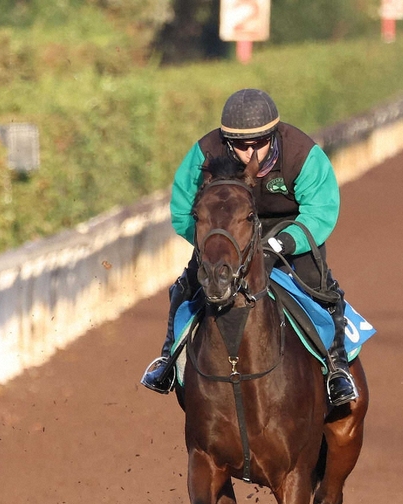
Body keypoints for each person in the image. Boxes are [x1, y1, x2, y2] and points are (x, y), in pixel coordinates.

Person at [141, 88, 358, 406]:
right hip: (228, 235)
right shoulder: (205, 152)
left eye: (260, 142)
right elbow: (182, 207)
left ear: (274, 133)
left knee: (320, 287)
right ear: (228, 141)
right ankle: (166, 362)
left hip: (290, 229)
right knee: (186, 287)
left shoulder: (302, 153)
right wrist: (209, 243)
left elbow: (321, 211)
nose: (251, 152)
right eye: (242, 145)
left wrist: (279, 244)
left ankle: (337, 368)